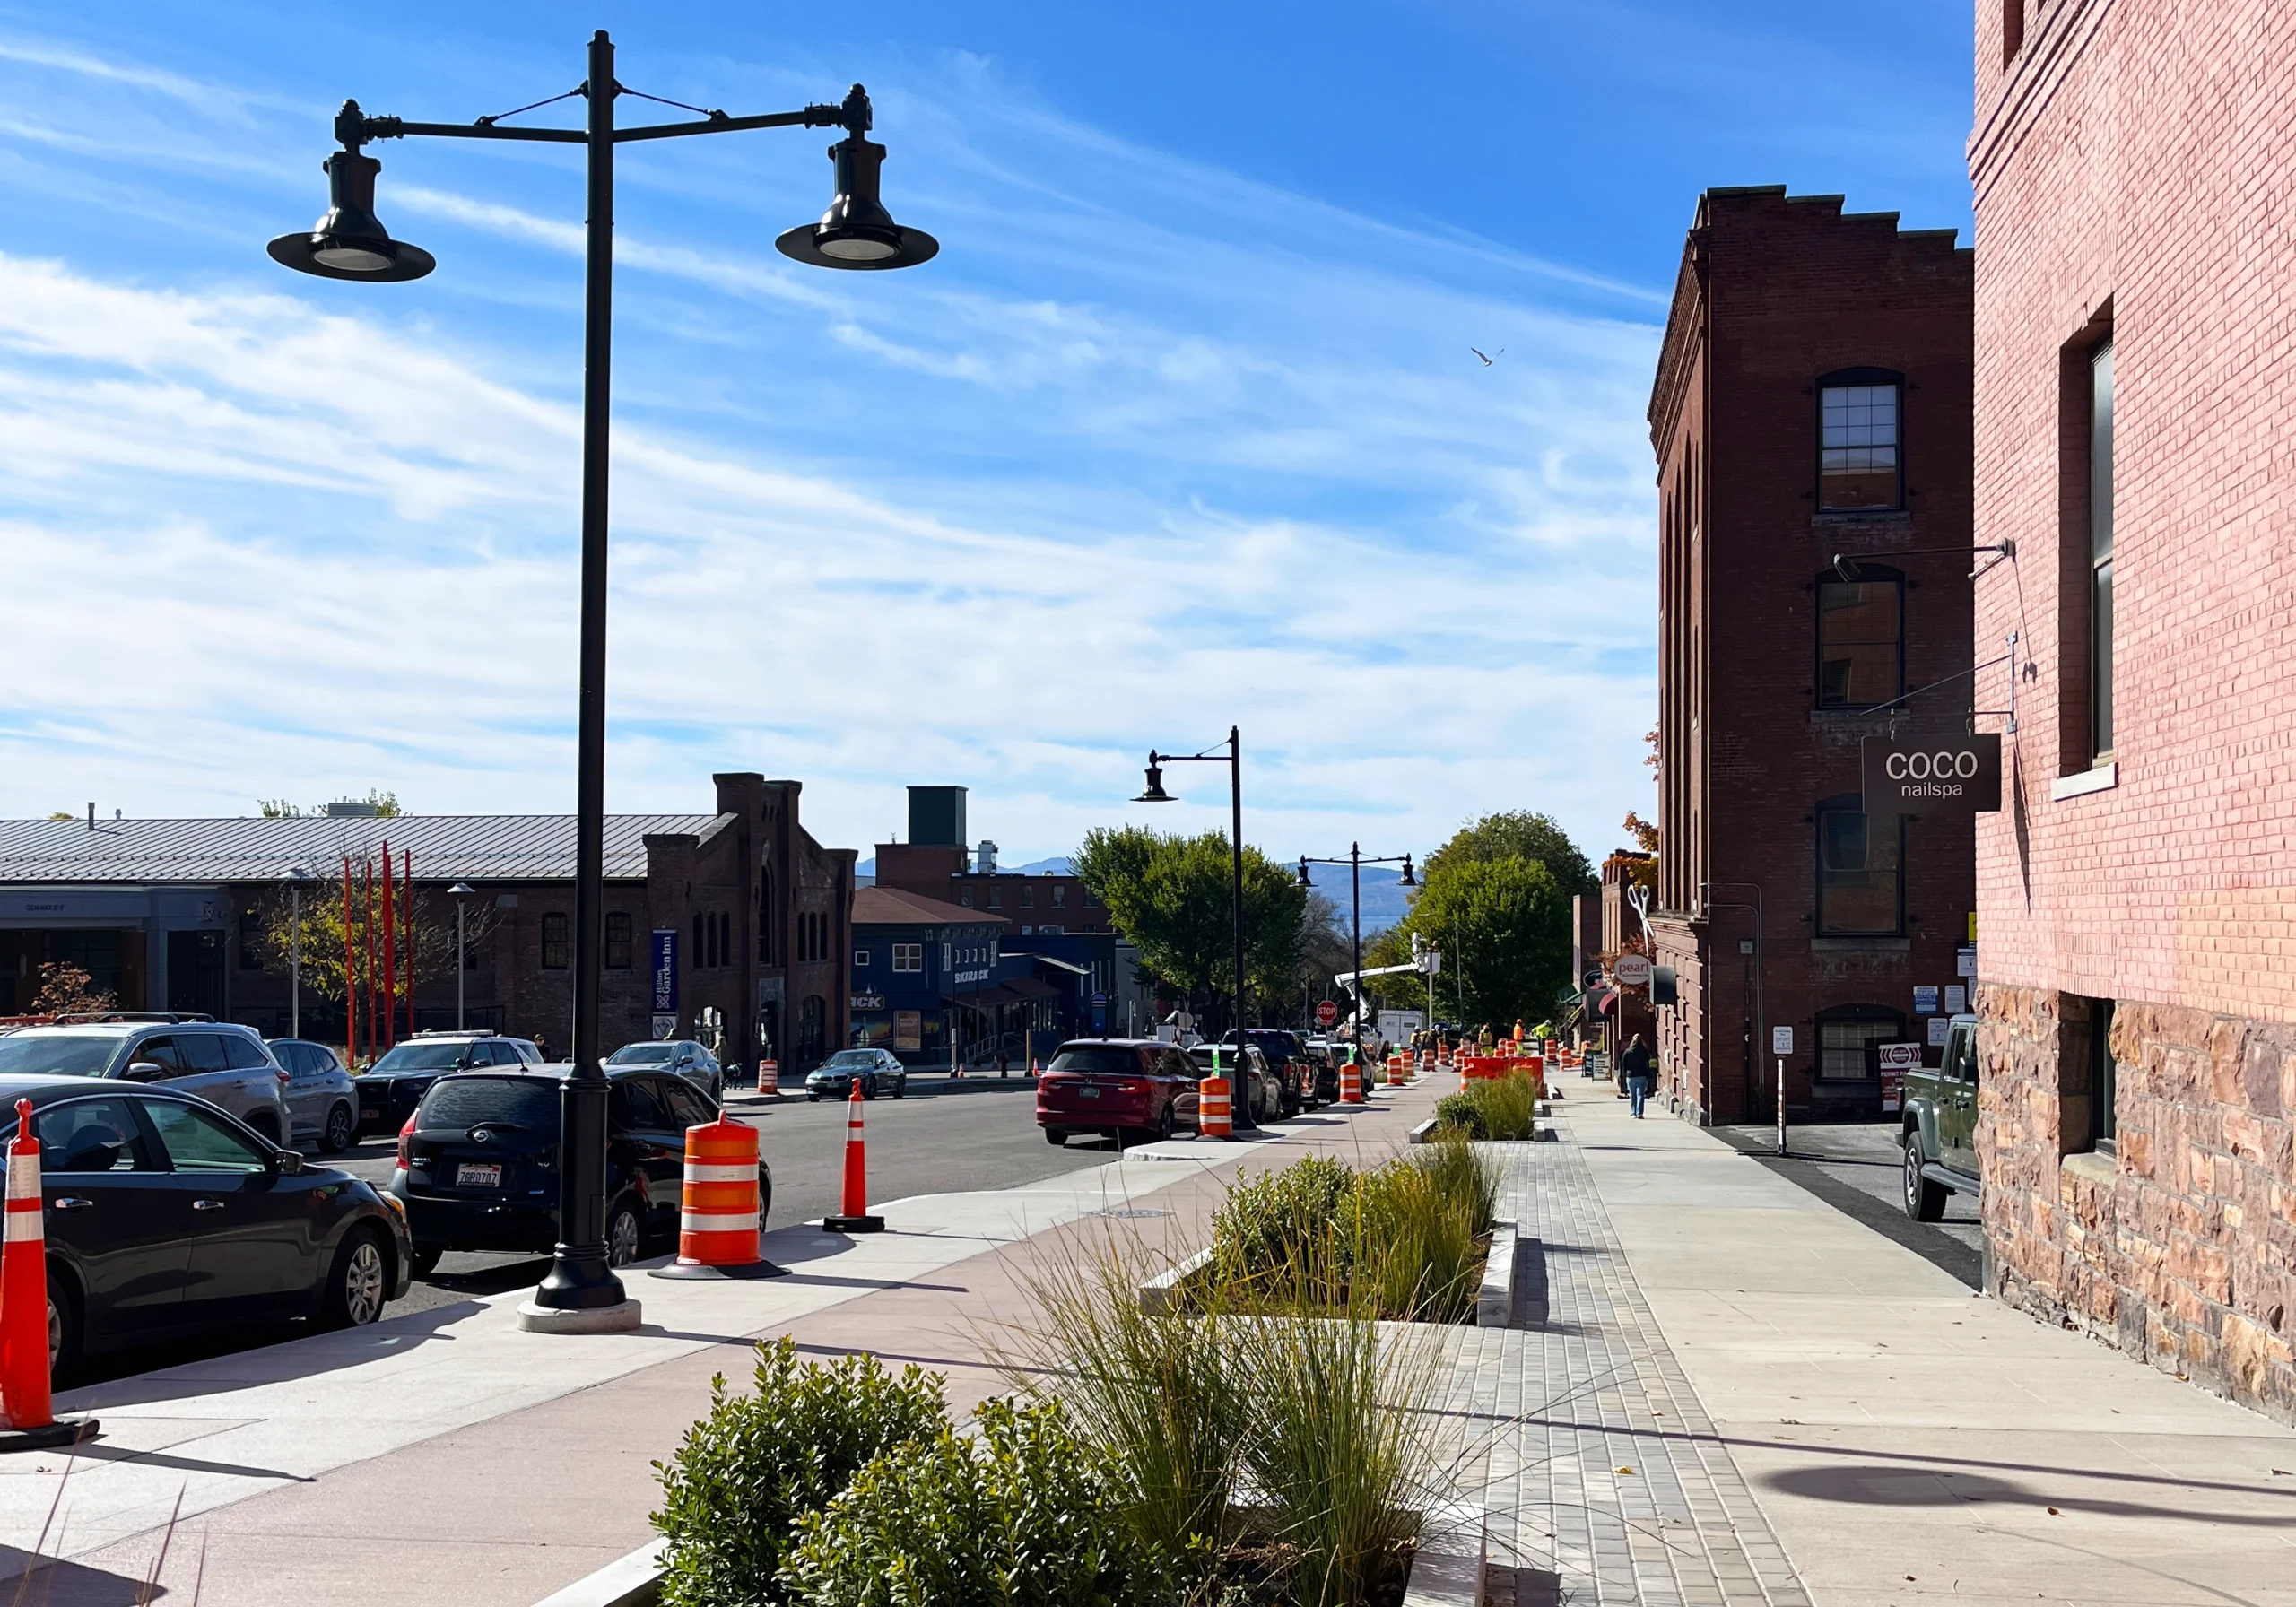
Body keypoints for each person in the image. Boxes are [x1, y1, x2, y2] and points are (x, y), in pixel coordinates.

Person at [1621, 1033, 1656, 1118]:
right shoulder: (1644, 1051)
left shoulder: (1628, 1052)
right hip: (1642, 1075)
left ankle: (1633, 1113)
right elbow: (1648, 1062)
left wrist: (1626, 1074)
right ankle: (1640, 1113)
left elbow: (1623, 1064)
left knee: (1633, 1095)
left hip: (1631, 1076)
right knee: (1640, 1095)